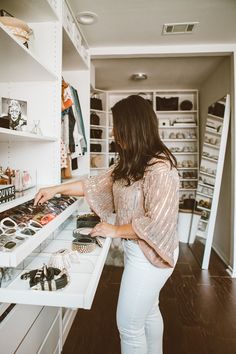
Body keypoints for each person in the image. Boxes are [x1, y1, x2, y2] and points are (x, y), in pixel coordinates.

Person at [34, 95, 179, 354]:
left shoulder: (160, 168)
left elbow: (156, 223)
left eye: (116, 124)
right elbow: (92, 185)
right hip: (140, 251)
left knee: (129, 326)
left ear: (132, 127)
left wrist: (113, 230)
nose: (112, 131)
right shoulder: (130, 162)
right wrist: (55, 189)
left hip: (152, 254)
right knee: (148, 313)